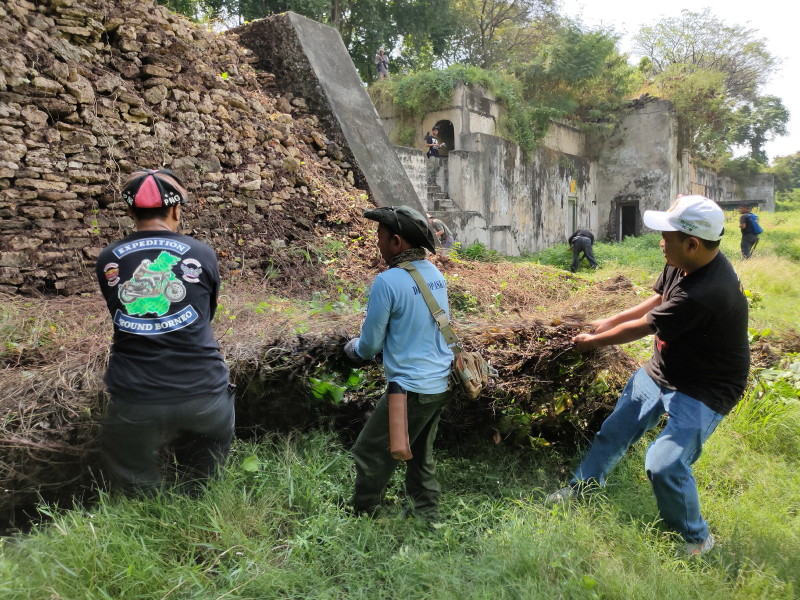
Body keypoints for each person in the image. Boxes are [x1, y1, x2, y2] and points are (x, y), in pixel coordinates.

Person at [546, 195, 750, 557]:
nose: (660, 241)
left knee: (664, 464)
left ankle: (695, 539)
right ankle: (583, 488)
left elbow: (644, 327)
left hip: (706, 387)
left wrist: (591, 343)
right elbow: (657, 301)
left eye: (666, 236)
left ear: (693, 242)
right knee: (614, 431)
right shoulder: (682, 261)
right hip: (664, 368)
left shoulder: (707, 292)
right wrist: (608, 320)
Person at [95, 169, 235, 495]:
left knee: (134, 479)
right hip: (205, 392)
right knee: (205, 477)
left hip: (136, 393)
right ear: (175, 210)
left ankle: (145, 509)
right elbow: (205, 315)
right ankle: (199, 503)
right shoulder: (201, 253)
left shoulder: (108, 259)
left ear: (131, 212)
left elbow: (118, 311)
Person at [344, 205, 453, 520]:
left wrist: (353, 349)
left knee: (369, 452)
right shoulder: (435, 275)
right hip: (440, 382)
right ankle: (427, 515)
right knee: (419, 454)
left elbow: (369, 346)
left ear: (396, 241)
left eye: (379, 236)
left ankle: (366, 515)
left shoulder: (388, 281)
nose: (376, 243)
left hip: (409, 388)